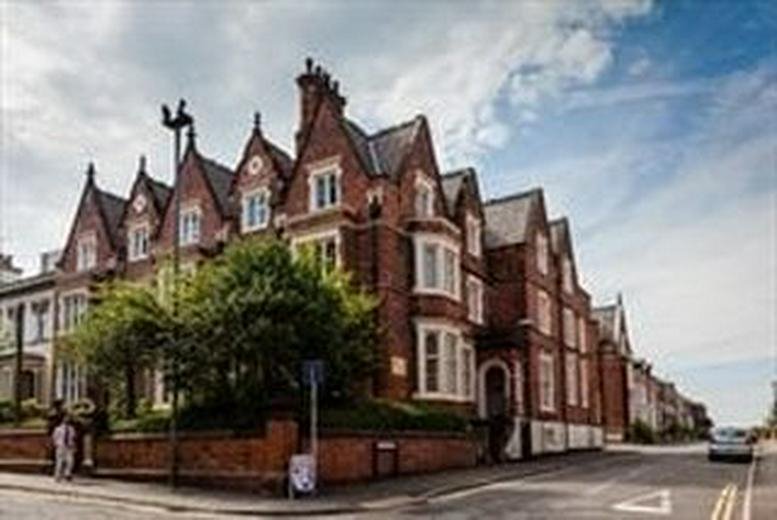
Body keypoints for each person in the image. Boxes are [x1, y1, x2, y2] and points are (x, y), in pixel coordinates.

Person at [51, 416, 76, 482]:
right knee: (59, 462)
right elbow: (54, 438)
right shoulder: (58, 429)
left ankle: (67, 474)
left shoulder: (71, 429)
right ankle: (57, 477)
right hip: (61, 447)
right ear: (63, 422)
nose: (67, 422)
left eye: (68, 421)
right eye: (66, 421)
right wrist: (57, 444)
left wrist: (73, 446)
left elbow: (72, 438)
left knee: (70, 461)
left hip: (69, 447)